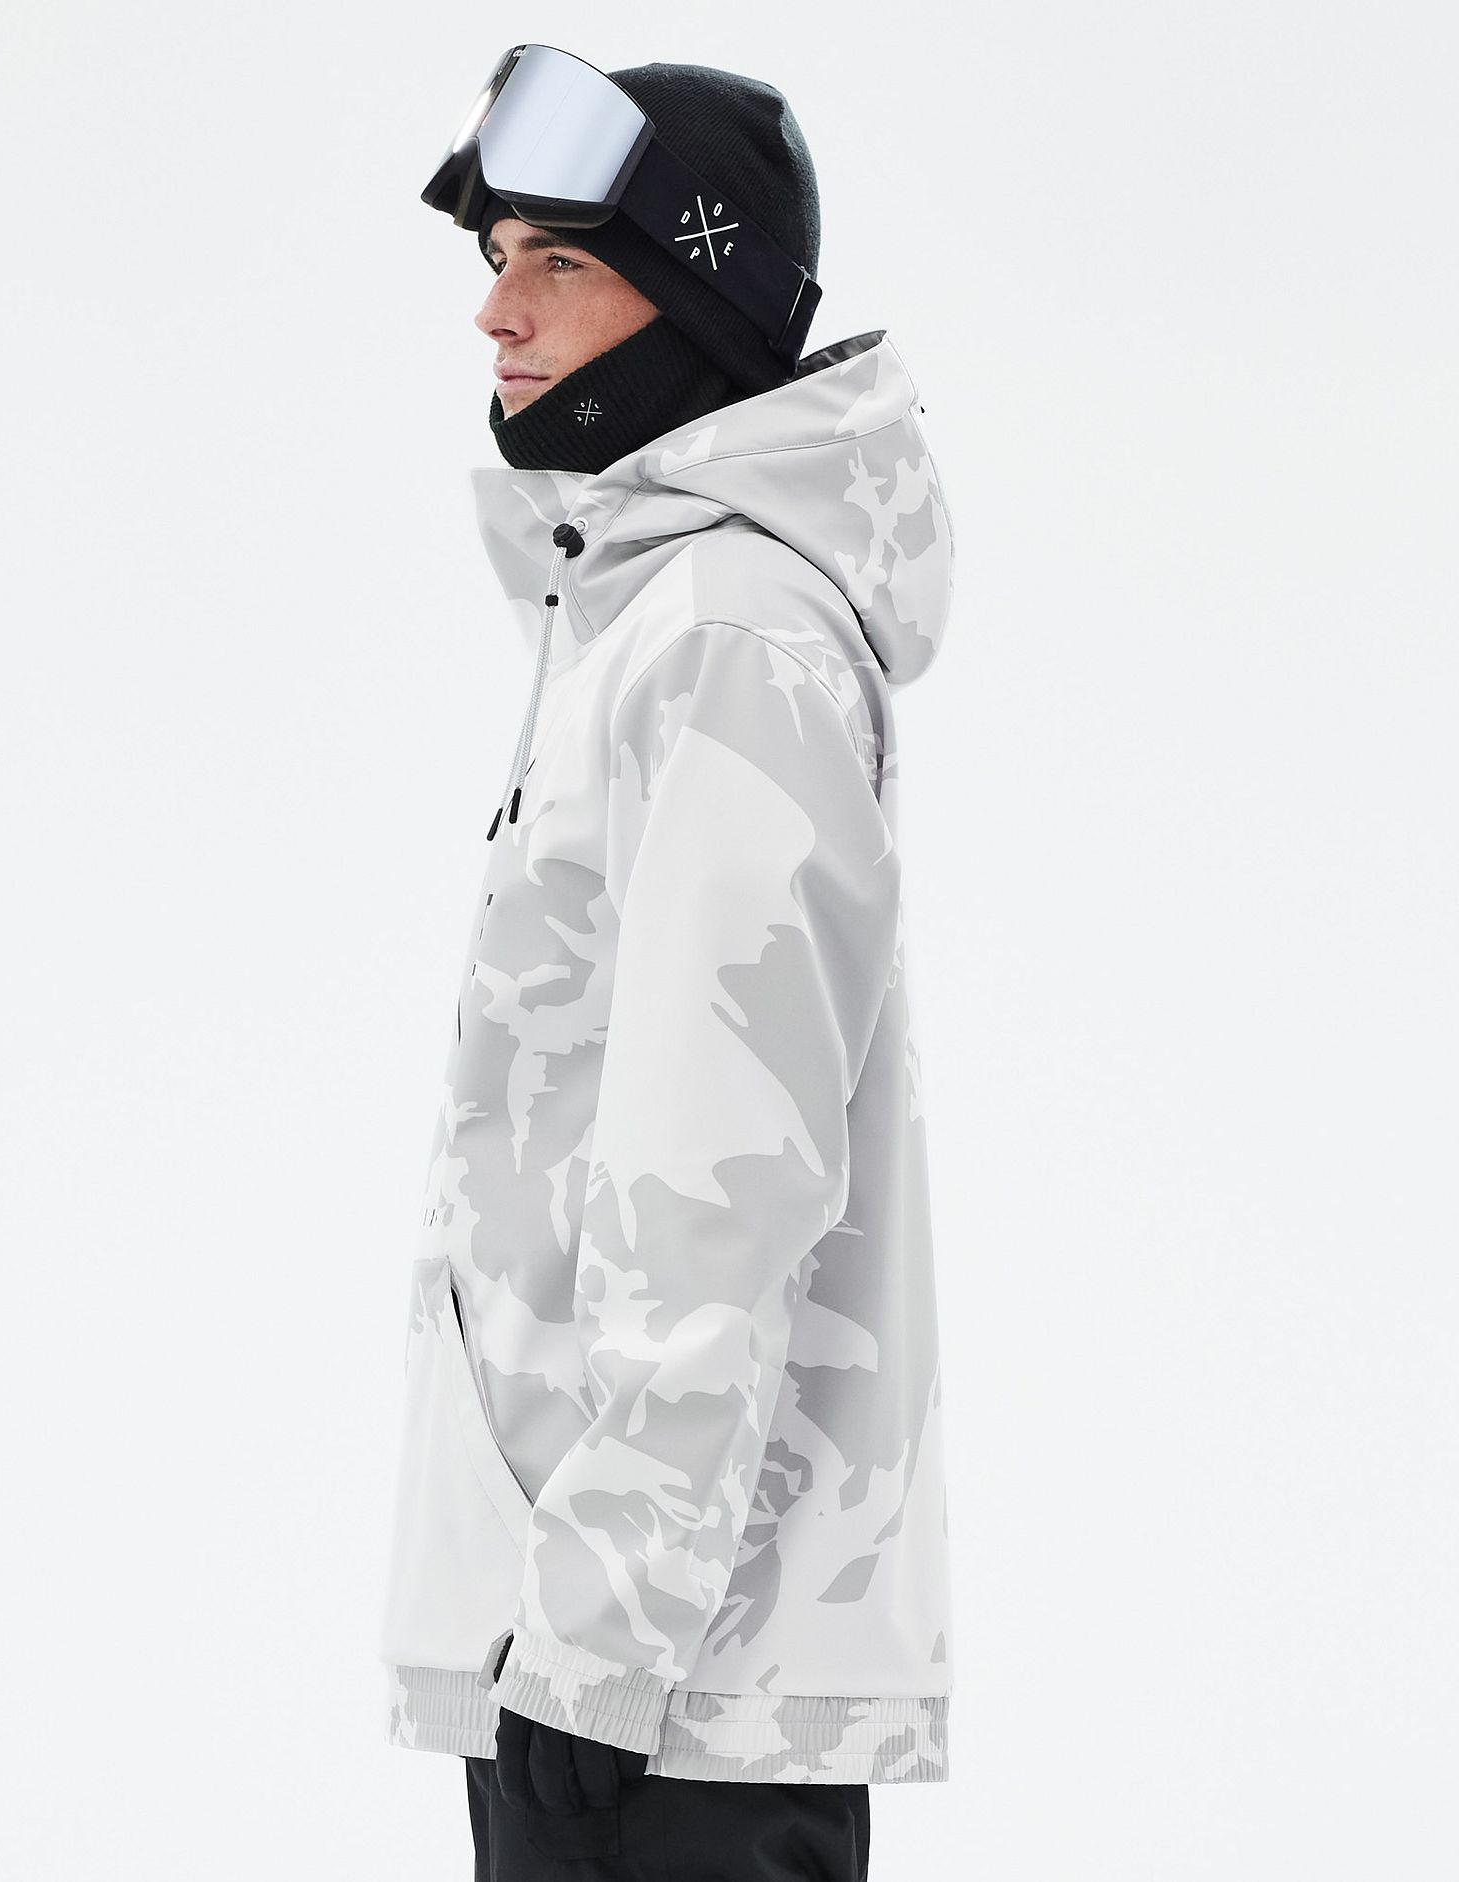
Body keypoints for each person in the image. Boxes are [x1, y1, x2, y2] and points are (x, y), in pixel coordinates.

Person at [379, 50, 957, 1881]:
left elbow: (722, 1172)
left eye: (559, 261)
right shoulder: (639, 623)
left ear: (696, 293)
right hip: (594, 1642)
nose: (496, 310)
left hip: (658, 1682)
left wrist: (604, 1627)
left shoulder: (727, 638)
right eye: (499, 258)